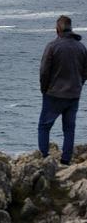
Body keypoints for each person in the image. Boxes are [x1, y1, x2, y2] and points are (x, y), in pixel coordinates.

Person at [39, 15, 87, 165]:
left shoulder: (52, 46)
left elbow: (44, 71)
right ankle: (66, 160)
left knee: (44, 126)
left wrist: (44, 89)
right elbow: (85, 72)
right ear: (71, 28)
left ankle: (45, 158)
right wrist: (79, 85)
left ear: (57, 29)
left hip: (54, 94)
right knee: (69, 129)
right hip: (73, 94)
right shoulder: (81, 47)